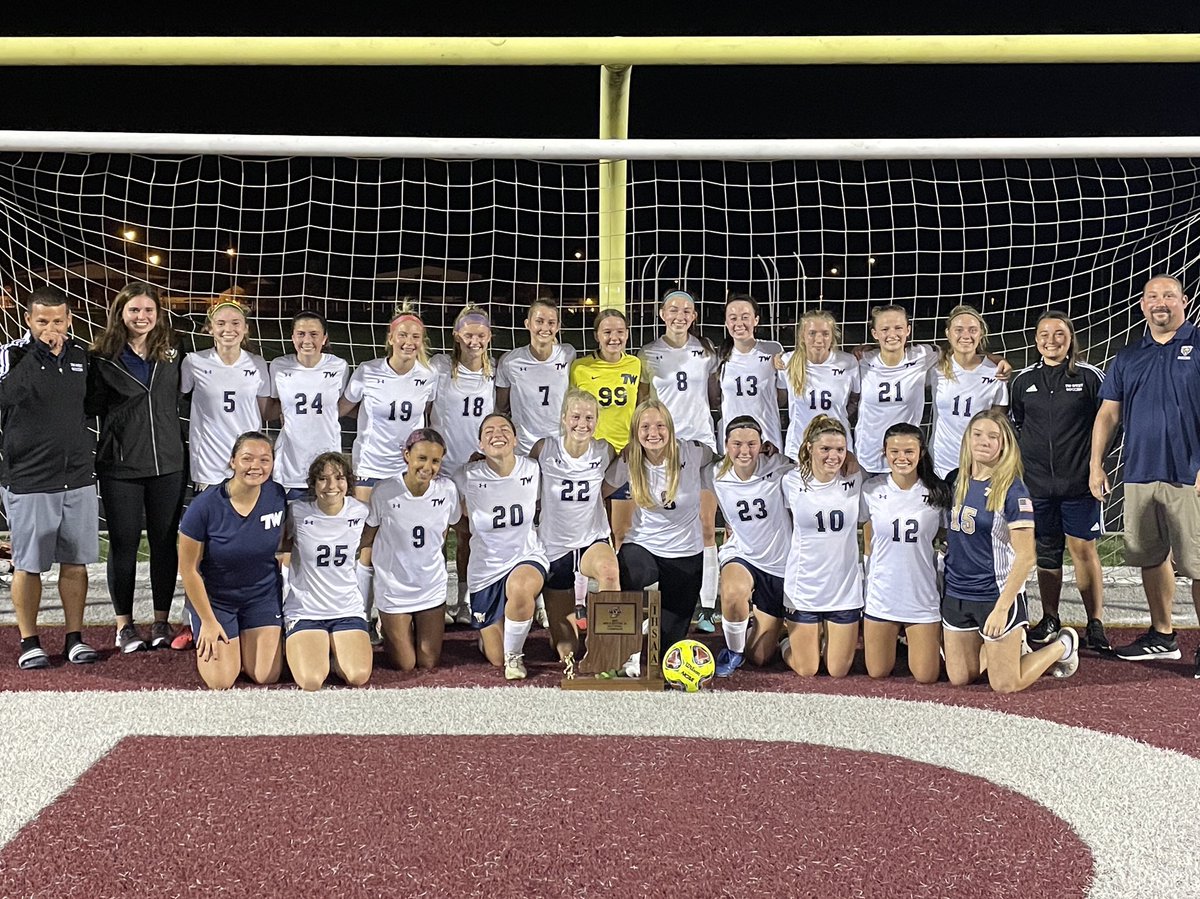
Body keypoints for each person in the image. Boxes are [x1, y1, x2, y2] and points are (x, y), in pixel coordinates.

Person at [1091, 275, 1200, 671]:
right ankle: (1163, 636)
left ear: (1183, 301)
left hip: (1190, 474)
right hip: (1139, 472)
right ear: (1141, 305)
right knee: (1150, 558)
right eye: (1152, 296)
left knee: (1198, 563)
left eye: (1169, 295)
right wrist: (1095, 463)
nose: (1161, 303)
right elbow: (1108, 413)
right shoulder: (1129, 355)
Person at [943, 409, 1080, 692]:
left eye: (993, 437)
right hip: (957, 593)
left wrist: (1001, 608)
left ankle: (1063, 645)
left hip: (995, 594)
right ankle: (1007, 648)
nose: (984, 441)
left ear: (1004, 445)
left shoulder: (1013, 491)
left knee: (1005, 684)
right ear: (967, 438)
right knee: (959, 678)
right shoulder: (955, 480)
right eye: (977, 434)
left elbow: (1027, 555)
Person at [0, 286, 100, 668]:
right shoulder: (13, 354)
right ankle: (29, 640)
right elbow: (6, 396)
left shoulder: (79, 355)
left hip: (76, 475)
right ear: (28, 319)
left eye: (58, 320)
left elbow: (90, 406)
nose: (51, 327)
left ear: (69, 319)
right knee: (29, 564)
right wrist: (37, 354)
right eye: (42, 321)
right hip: (29, 478)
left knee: (75, 563)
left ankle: (75, 638)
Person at [87, 282, 188, 653]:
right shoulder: (101, 356)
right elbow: (90, 405)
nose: (141, 317)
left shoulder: (175, 350)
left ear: (158, 314)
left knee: (164, 544)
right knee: (124, 544)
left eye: (148, 310)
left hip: (168, 463)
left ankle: (161, 620)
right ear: (120, 314)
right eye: (134, 310)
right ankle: (124, 626)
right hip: (121, 466)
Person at [1010, 311, 1110, 652]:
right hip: (1037, 486)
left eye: (1058, 334)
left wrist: (1095, 467)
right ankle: (1050, 618)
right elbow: (1018, 424)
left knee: (1083, 549)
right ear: (1035, 339)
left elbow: (1108, 423)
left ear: (1070, 338)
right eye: (1043, 334)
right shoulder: (1023, 381)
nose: (1051, 340)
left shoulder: (1090, 377)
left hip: (1079, 484)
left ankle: (1094, 623)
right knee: (1046, 552)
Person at [637, 289, 721, 633]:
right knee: (652, 525)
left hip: (699, 445)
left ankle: (707, 606)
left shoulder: (706, 353)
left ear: (694, 316)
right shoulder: (648, 354)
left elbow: (715, 393)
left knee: (704, 527)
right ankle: (647, 608)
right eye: (673, 309)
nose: (679, 315)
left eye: (687, 310)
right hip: (660, 450)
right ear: (661, 313)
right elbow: (644, 401)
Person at [605, 399, 713, 656]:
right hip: (645, 545)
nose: (653, 433)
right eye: (645, 427)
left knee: (669, 649)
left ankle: (658, 638)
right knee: (628, 571)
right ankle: (623, 651)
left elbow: (724, 462)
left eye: (660, 426)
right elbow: (600, 491)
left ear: (671, 428)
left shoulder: (693, 452)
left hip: (686, 552)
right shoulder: (629, 459)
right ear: (635, 431)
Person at [178, 432, 285, 690]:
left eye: (264, 460)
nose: (256, 466)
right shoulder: (204, 507)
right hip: (218, 601)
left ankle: (251, 639)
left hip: (261, 597)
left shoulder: (277, 495)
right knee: (221, 681)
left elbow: (284, 544)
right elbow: (189, 570)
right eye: (247, 459)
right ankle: (203, 627)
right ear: (232, 461)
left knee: (265, 675)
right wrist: (208, 620)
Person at [530, 389, 620, 670]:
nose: (583, 424)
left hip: (591, 539)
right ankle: (566, 634)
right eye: (576, 416)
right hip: (554, 544)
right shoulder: (545, 448)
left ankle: (607, 648)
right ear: (563, 418)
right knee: (567, 649)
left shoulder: (605, 450)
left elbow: (608, 487)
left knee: (609, 572)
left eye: (589, 417)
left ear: (597, 421)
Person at [455, 413, 547, 680]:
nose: (498, 434)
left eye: (505, 429)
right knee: (494, 656)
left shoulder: (533, 469)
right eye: (489, 431)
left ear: (516, 439)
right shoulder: (467, 475)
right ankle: (503, 636)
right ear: (480, 445)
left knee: (520, 588)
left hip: (525, 555)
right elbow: (449, 512)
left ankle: (514, 658)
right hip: (486, 569)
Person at [361, 429, 460, 672]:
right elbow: (368, 538)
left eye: (435, 461)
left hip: (430, 587)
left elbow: (448, 529)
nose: (428, 467)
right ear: (407, 455)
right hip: (395, 588)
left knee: (428, 662)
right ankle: (386, 625)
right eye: (422, 458)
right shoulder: (385, 491)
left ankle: (412, 625)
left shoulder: (447, 490)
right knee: (405, 664)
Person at [860, 423, 950, 683]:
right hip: (883, 593)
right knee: (877, 672)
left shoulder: (937, 492)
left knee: (926, 676)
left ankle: (916, 642)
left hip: (920, 595)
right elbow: (867, 532)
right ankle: (897, 643)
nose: (902, 458)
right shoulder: (871, 490)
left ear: (921, 452)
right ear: (884, 453)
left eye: (909, 451)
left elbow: (946, 536)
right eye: (895, 451)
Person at [280, 452, 372, 691]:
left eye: (339, 478)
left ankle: (333, 650)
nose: (332, 486)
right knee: (311, 681)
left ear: (348, 482)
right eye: (323, 479)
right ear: (313, 484)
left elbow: (369, 541)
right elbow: (280, 548)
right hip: (306, 609)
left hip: (346, 607)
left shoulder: (360, 512)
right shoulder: (297, 512)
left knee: (357, 676)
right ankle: (314, 647)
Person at [780, 416, 864, 678]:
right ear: (810, 449)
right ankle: (784, 641)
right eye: (825, 449)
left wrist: (854, 459)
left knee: (837, 671)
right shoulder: (791, 481)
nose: (833, 456)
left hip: (844, 588)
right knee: (808, 669)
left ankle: (820, 639)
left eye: (840, 449)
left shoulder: (855, 478)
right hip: (804, 586)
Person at [710, 416, 792, 678]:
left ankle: (778, 631)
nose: (744, 451)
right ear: (726, 445)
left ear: (762, 444)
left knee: (760, 657)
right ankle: (733, 652)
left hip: (779, 563)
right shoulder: (714, 474)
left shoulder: (778, 466)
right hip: (742, 554)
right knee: (733, 591)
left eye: (751, 444)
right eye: (737, 444)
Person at [430, 305, 496, 627]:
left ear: (489, 336)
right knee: (438, 536)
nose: (474, 340)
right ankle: (436, 601)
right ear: (457, 334)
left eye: (480, 334)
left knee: (470, 536)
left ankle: (467, 600)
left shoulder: (494, 371)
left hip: (476, 468)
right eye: (468, 333)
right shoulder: (440, 367)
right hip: (442, 466)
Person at [339, 307, 437, 500]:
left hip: (409, 467)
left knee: (403, 527)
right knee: (367, 529)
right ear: (391, 338)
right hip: (370, 465)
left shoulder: (429, 375)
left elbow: (427, 410)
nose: (409, 342)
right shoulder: (367, 371)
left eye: (415, 337)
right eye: (402, 335)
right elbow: (342, 409)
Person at [569, 308, 642, 551]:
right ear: (596, 335)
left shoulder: (635, 365)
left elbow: (641, 408)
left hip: (624, 456)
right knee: (584, 530)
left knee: (621, 531)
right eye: (607, 332)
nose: (614, 337)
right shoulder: (580, 368)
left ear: (628, 334)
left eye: (620, 332)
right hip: (592, 456)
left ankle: (619, 587)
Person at [180, 299, 270, 490]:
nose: (228, 329)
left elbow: (264, 411)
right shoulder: (194, 362)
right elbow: (178, 397)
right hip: (208, 464)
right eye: (220, 323)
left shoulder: (258, 364)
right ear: (210, 328)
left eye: (235, 323)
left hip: (248, 462)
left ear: (246, 328)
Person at [267, 311, 349, 501]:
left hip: (327, 455)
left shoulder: (339, 366)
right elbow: (274, 405)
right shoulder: (279, 366)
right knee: (287, 525)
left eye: (314, 334)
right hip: (290, 461)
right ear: (293, 337)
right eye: (301, 334)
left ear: (324, 338)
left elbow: (342, 405)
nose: (307, 340)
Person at [854, 305, 940, 478]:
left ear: (908, 330)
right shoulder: (861, 361)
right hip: (868, 457)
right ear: (875, 334)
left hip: (906, 457)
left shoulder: (922, 356)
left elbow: (954, 352)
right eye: (885, 329)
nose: (892, 334)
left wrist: (993, 358)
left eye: (898, 328)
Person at [928, 305, 1008, 478]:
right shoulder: (935, 368)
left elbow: (998, 422)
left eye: (973, 330)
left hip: (979, 463)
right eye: (959, 330)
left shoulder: (996, 372)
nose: (966, 335)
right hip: (942, 462)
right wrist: (867, 349)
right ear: (948, 333)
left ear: (981, 334)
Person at [495, 298, 577, 454]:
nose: (545, 327)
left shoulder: (568, 354)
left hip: (560, 444)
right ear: (528, 324)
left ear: (558, 327)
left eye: (551, 322)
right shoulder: (510, 361)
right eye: (539, 321)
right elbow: (502, 406)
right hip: (523, 447)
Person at [778, 309, 860, 460]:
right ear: (802, 335)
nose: (819, 339)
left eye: (825, 333)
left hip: (837, 445)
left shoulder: (848, 362)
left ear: (832, 336)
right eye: (812, 333)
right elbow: (779, 399)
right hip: (799, 445)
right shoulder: (787, 361)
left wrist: (841, 416)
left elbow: (855, 398)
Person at [715, 294, 785, 451]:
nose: (739, 323)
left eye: (745, 317)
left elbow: (781, 396)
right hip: (732, 439)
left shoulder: (773, 350)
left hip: (767, 437)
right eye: (733, 318)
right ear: (726, 323)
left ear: (756, 320)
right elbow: (716, 398)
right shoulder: (720, 355)